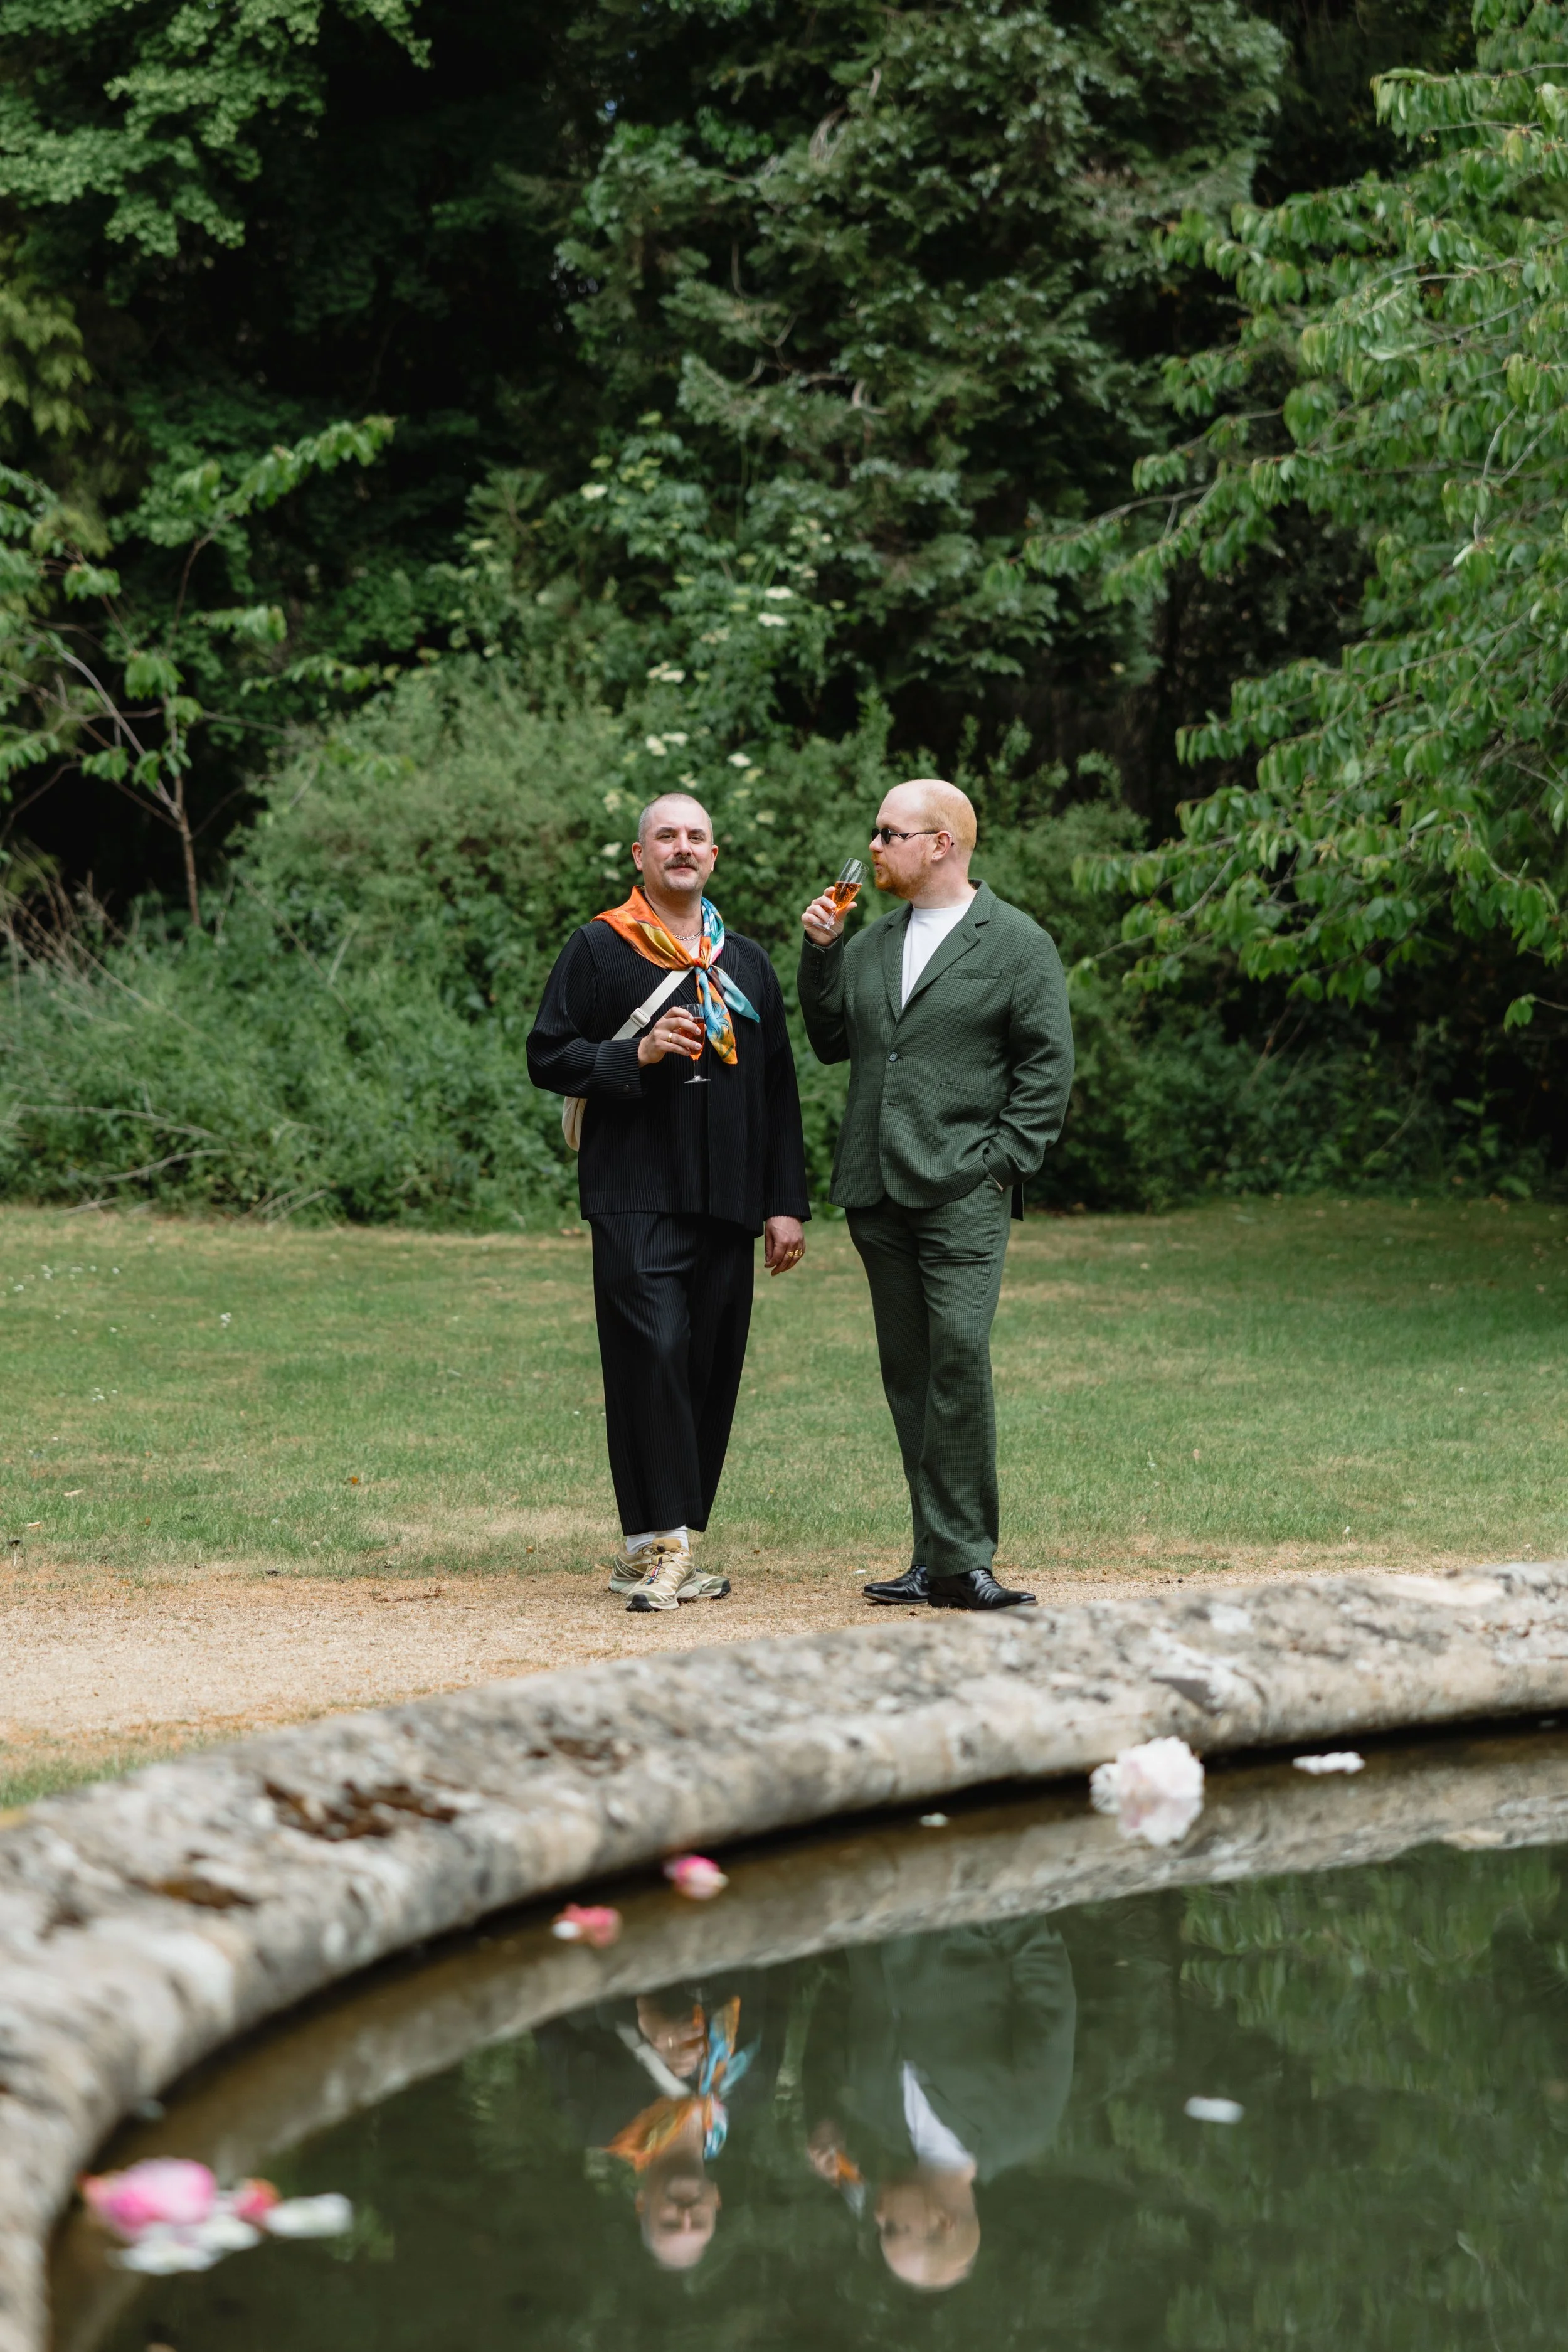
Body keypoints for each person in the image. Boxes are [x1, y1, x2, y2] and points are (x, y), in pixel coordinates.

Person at [528, 792, 810, 1611]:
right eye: (666, 837)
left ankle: (666, 1538)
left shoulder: (747, 963)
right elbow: (548, 1055)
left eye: (696, 837)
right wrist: (636, 1052)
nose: (682, 847)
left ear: (713, 857)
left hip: (726, 1200)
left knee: (706, 1370)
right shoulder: (598, 948)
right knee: (649, 1358)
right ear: (639, 857)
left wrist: (782, 1202)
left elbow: (779, 1089)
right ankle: (662, 1548)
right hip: (633, 1192)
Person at [798, 778, 1073, 1610]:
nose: (873, 846)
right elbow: (832, 1041)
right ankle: (931, 1557)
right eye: (875, 833)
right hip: (877, 1193)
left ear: (942, 843)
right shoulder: (875, 941)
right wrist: (821, 952)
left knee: (959, 1359)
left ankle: (966, 1560)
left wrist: (1000, 1164)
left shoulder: (1018, 943)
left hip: (963, 1191)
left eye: (889, 832)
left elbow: (1046, 1068)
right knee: (911, 1374)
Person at [804, 1918, 1076, 2291]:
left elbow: (832, 2005)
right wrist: (989, 1902)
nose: (879, 2215)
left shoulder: (875, 2114)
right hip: (958, 1892)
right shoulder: (1024, 2123)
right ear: (944, 2221)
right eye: (895, 2229)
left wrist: (824, 2118)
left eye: (882, 2229)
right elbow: (1047, 1986)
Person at [536, 1977, 773, 2272]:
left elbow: (545, 2007)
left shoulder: (596, 2120)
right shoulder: (754, 2093)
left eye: (671, 2223)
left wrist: (642, 2017)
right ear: (716, 2200)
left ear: (641, 2203)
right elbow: (771, 1980)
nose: (685, 2215)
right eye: (698, 2222)